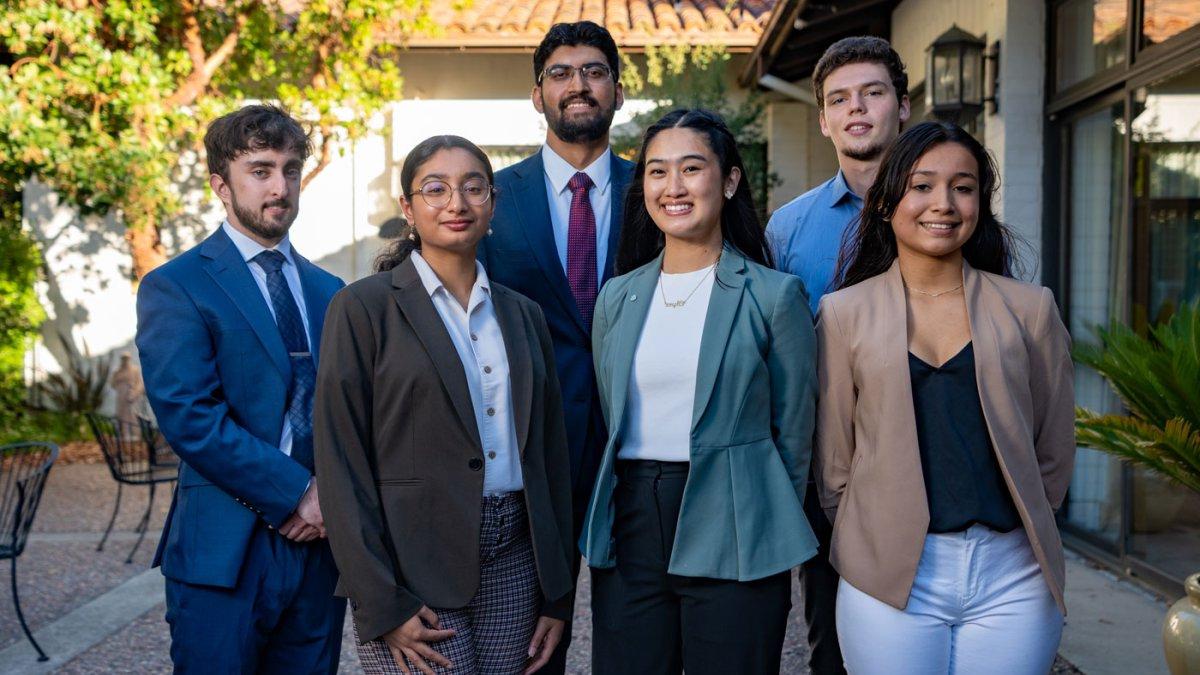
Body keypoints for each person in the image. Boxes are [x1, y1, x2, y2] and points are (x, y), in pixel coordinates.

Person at [815, 121, 1075, 674]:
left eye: (963, 187)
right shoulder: (843, 314)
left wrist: (1032, 525)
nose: (944, 203)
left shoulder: (1030, 309)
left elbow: (1053, 450)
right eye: (922, 185)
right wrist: (872, 533)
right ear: (887, 203)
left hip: (1013, 574)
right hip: (889, 571)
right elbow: (834, 465)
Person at [314, 135, 576, 675]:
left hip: (516, 560)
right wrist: (381, 600)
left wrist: (558, 595)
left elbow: (551, 457)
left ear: (492, 204)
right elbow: (341, 464)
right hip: (412, 565)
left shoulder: (524, 314)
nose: (456, 203)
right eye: (435, 189)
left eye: (473, 187)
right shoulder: (362, 308)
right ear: (408, 208)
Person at [580, 109, 818, 675]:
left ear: (729, 181)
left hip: (738, 512)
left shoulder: (774, 296)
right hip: (633, 513)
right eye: (657, 172)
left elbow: (796, 435)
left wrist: (759, 511)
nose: (674, 187)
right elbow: (611, 414)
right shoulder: (617, 297)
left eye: (691, 168)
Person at [136, 104, 346, 672]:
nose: (280, 187)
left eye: (291, 169)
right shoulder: (176, 286)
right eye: (260, 170)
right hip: (224, 551)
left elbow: (352, 414)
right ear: (220, 185)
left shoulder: (334, 292)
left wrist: (333, 497)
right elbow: (190, 417)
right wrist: (300, 492)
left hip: (321, 551)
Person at [477, 21, 635, 672]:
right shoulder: (488, 197)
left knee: (636, 643)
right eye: (561, 73)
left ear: (619, 92)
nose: (579, 85)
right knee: (533, 649)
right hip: (532, 442)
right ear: (536, 95)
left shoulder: (658, 190)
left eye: (594, 71)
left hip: (638, 440)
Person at [764, 36, 910, 674]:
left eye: (873, 93)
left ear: (902, 106)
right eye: (840, 99)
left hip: (928, 452)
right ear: (822, 119)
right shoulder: (788, 229)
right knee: (832, 633)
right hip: (832, 463)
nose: (857, 110)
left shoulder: (948, 210)